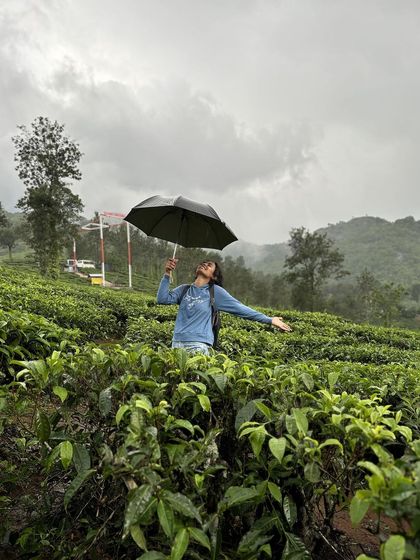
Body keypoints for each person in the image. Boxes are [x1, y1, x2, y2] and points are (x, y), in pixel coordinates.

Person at [157, 258, 291, 355]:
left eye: (209, 265)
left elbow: (240, 308)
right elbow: (162, 299)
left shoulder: (215, 292)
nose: (204, 264)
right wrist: (167, 273)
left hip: (198, 345)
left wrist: (269, 319)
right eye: (203, 263)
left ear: (214, 276)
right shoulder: (184, 289)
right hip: (177, 343)